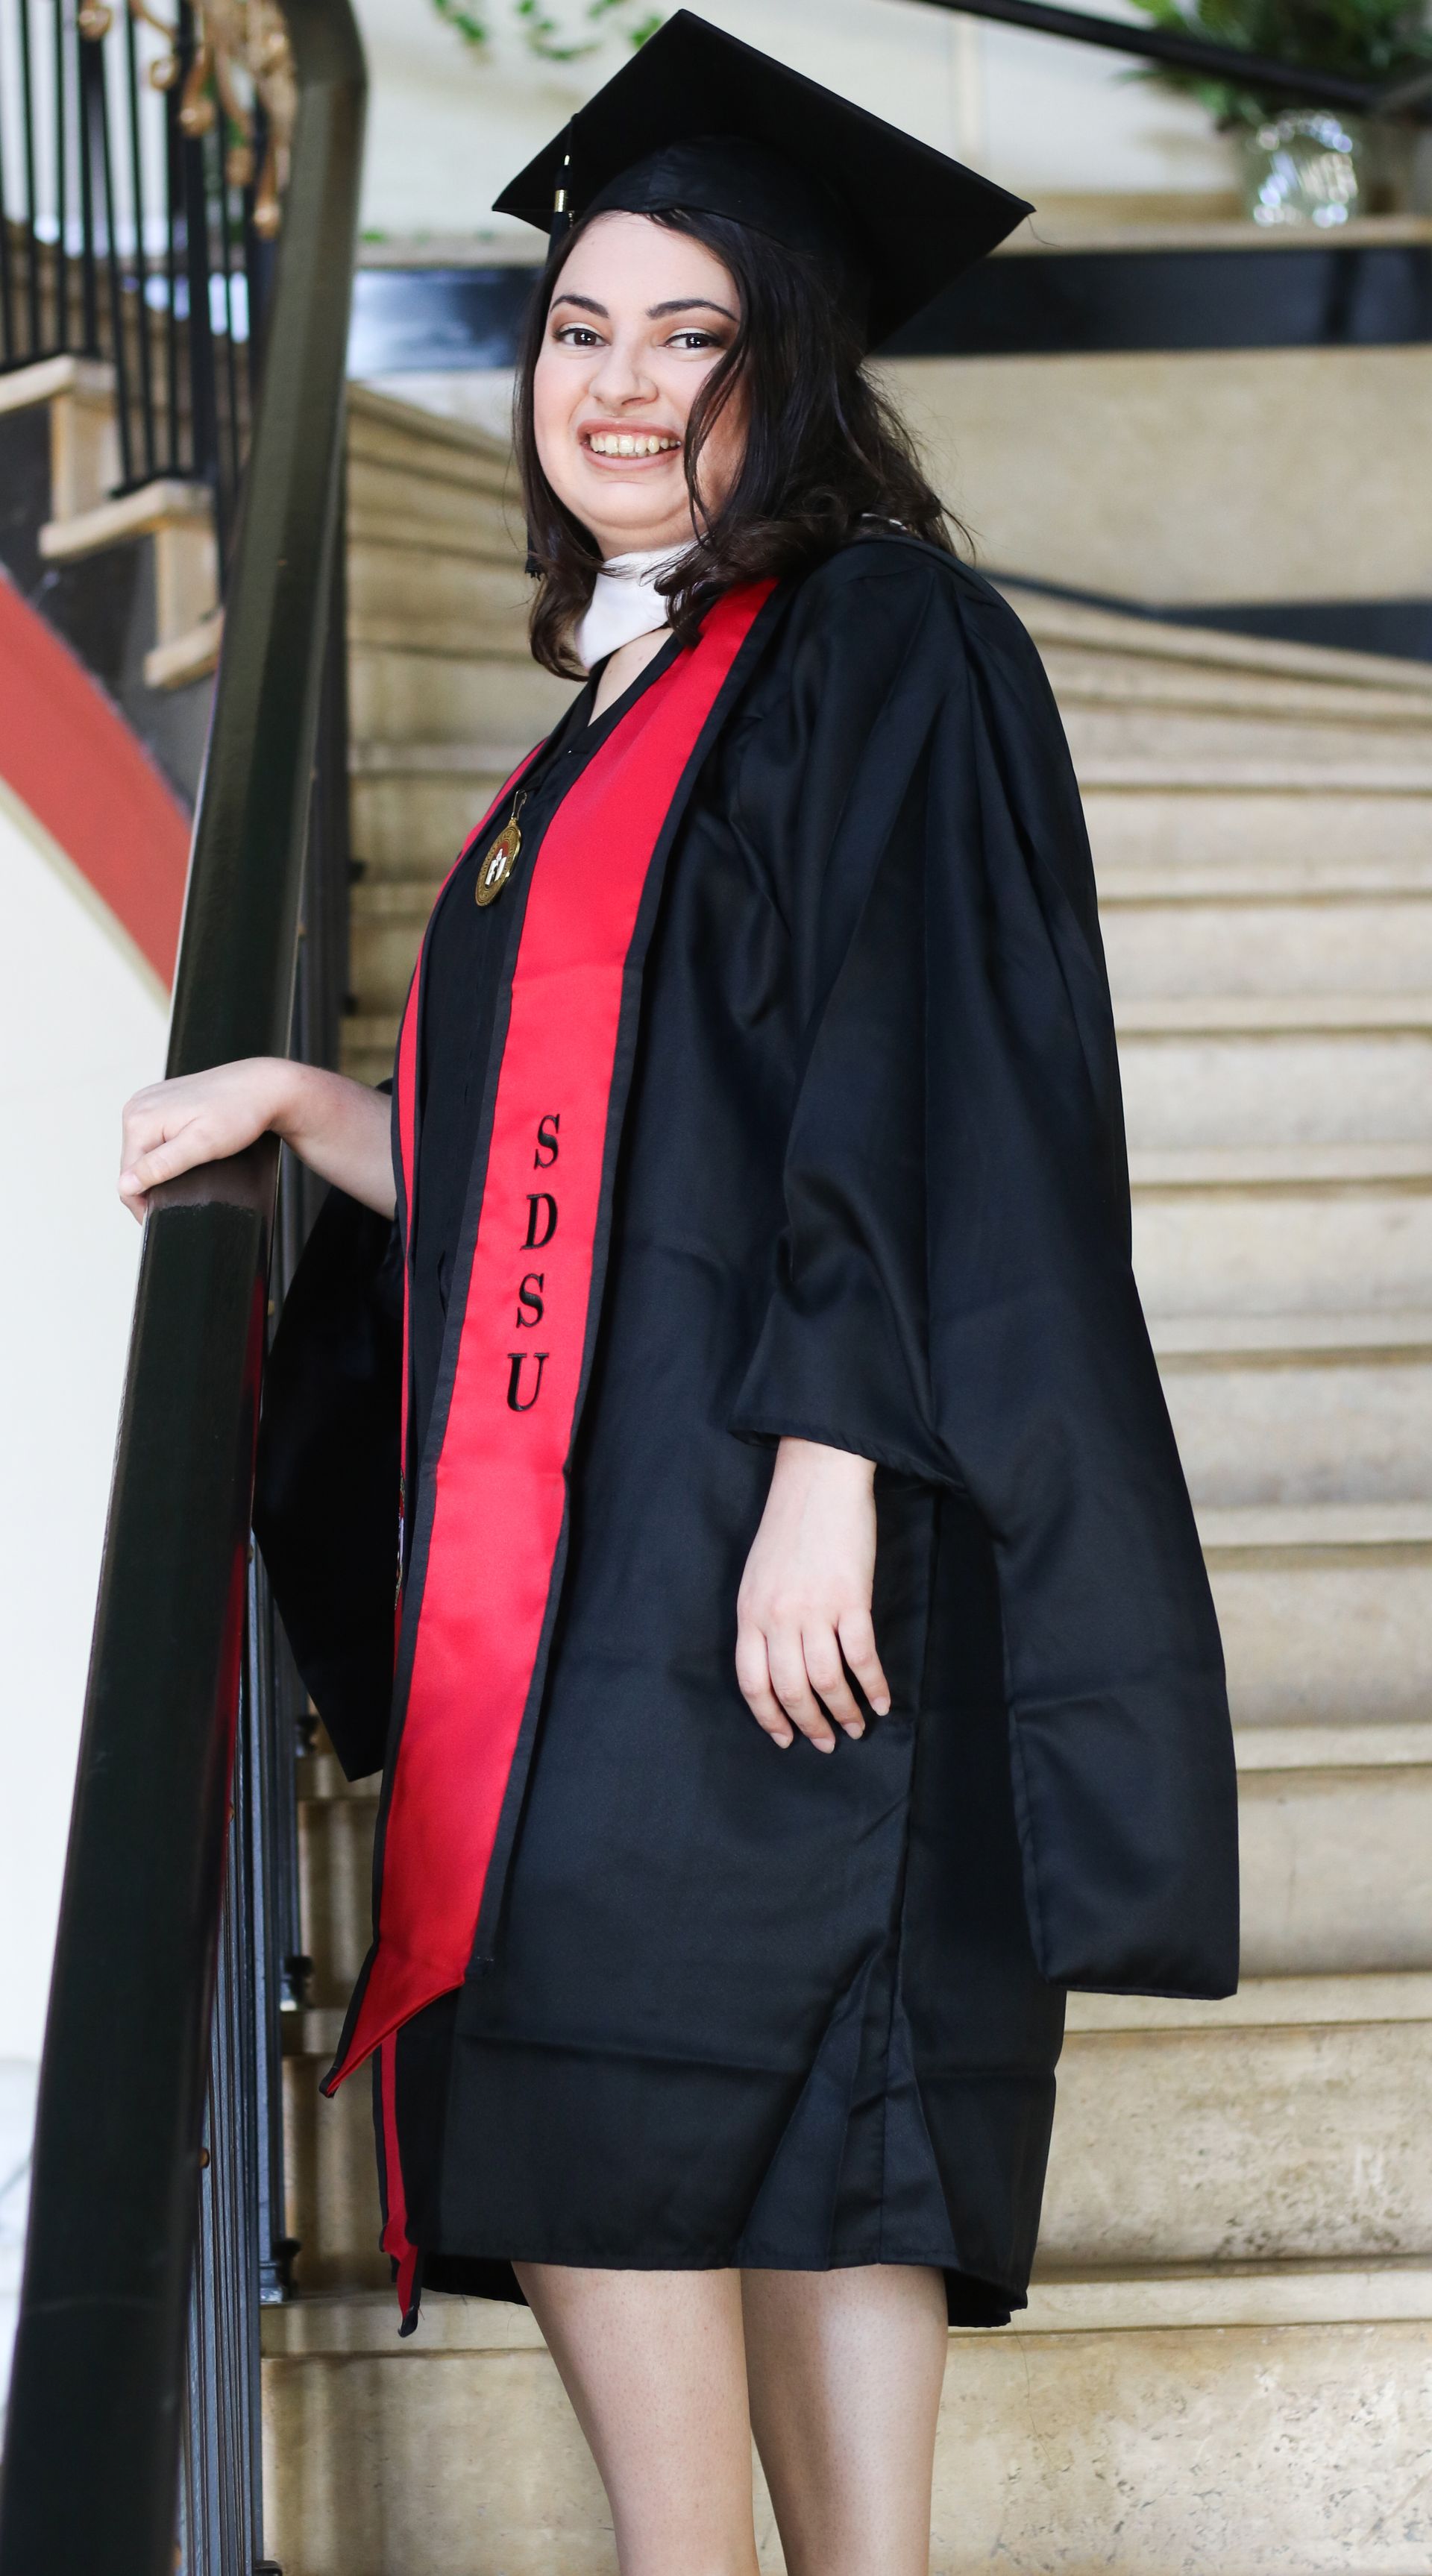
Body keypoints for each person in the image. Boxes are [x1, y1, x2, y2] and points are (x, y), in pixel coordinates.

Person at [119, 17, 1239, 2572]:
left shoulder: (877, 650)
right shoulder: (615, 715)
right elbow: (574, 1188)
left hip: (774, 1524)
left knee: (743, 2062)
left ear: (794, 369)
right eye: (575, 330)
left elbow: (917, 1076)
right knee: (721, 2081)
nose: (610, 387)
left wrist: (828, 1479)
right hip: (616, 1530)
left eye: (686, 336)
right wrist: (316, 1110)